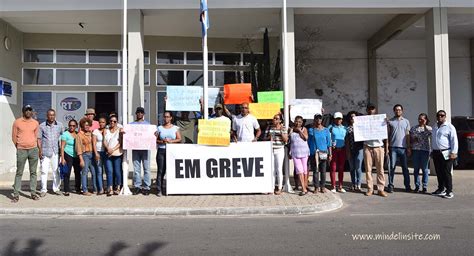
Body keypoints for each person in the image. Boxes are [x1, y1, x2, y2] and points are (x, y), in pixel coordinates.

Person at [11, 104, 40, 202]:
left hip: (33, 150)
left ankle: (33, 193)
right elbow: (14, 137)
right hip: (21, 150)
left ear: (31, 112)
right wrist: (19, 146)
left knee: (33, 172)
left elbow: (36, 137)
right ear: (23, 111)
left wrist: (36, 147)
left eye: (30, 110)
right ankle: (16, 194)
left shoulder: (35, 123)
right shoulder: (17, 122)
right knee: (19, 172)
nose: (28, 112)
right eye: (26, 110)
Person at [431, 110, 458, 199]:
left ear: (445, 116)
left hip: (446, 152)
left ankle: (449, 191)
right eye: (438, 115)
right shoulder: (434, 126)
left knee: (446, 172)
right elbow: (433, 140)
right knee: (439, 171)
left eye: (442, 115)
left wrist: (454, 152)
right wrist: (432, 150)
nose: (440, 117)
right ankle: (441, 189)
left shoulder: (449, 127)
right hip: (436, 152)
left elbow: (454, 140)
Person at [363, 104, 388, 197]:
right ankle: (370, 189)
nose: (371, 111)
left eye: (372, 109)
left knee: (380, 169)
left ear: (375, 110)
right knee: (368, 169)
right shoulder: (363, 120)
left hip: (379, 146)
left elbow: (386, 135)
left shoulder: (381, 120)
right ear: (367, 110)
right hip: (367, 146)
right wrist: (355, 123)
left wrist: (386, 147)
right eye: (369, 109)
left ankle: (381, 189)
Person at [37, 108, 64, 197]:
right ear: (47, 116)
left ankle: (56, 189)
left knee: (56, 171)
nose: (51, 116)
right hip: (45, 152)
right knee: (44, 171)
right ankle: (43, 190)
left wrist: (62, 151)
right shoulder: (42, 126)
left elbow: (63, 138)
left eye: (53, 115)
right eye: (50, 115)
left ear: (55, 115)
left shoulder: (60, 125)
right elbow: (39, 139)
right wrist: (40, 151)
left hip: (55, 152)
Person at [155, 111, 181, 196]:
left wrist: (171, 141)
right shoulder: (159, 128)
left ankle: (170, 189)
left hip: (172, 151)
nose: (166, 118)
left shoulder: (175, 128)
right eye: (165, 117)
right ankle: (159, 189)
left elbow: (179, 139)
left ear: (171, 118)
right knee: (161, 171)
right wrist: (162, 141)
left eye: (167, 117)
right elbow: (156, 140)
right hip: (161, 151)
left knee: (171, 171)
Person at [387, 104, 411, 193]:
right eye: (396, 110)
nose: (398, 111)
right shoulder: (390, 121)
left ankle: (407, 186)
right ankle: (390, 185)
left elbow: (408, 135)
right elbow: (388, 135)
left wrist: (408, 147)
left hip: (403, 148)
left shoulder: (406, 121)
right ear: (394, 111)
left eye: (399, 110)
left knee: (405, 168)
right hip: (393, 148)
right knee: (391, 167)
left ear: (402, 111)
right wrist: (387, 147)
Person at [264, 113, 288, 195]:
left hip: (279, 149)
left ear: (280, 120)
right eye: (274, 118)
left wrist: (281, 132)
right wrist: (269, 137)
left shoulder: (283, 128)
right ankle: (272, 187)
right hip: (271, 149)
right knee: (272, 169)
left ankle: (279, 187)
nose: (274, 119)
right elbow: (264, 138)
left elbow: (286, 140)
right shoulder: (269, 127)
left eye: (276, 118)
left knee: (278, 169)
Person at [308, 114, 332, 193]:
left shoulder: (326, 130)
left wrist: (330, 154)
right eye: (317, 119)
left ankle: (323, 186)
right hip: (314, 153)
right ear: (314, 119)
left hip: (323, 152)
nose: (318, 120)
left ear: (322, 120)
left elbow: (329, 143)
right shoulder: (311, 130)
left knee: (323, 171)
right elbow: (308, 142)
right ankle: (316, 187)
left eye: (320, 119)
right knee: (315, 170)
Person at [130, 107, 152, 196]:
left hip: (145, 149)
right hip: (135, 149)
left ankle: (146, 187)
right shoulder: (131, 124)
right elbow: (128, 134)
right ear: (136, 114)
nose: (139, 114)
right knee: (136, 169)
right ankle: (137, 186)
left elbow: (152, 134)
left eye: (141, 112)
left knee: (146, 169)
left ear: (143, 114)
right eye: (138, 112)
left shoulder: (148, 124)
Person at [409, 113, 432, 193]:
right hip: (415, 150)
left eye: (422, 119)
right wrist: (412, 141)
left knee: (425, 169)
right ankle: (417, 186)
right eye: (419, 119)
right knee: (416, 169)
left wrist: (425, 124)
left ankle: (424, 186)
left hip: (425, 150)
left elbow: (430, 134)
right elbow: (410, 139)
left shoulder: (429, 128)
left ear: (426, 120)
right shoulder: (414, 128)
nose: (420, 120)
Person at [289, 116, 310, 196]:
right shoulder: (291, 130)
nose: (298, 123)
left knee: (304, 170)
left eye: (300, 122)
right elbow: (289, 140)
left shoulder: (304, 129)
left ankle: (304, 186)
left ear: (302, 123)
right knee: (299, 170)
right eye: (296, 121)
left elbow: (305, 138)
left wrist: (299, 131)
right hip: (295, 152)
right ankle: (304, 189)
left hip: (304, 152)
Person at [103, 115, 123, 196]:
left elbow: (120, 142)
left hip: (117, 153)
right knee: (109, 171)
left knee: (117, 171)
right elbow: (104, 141)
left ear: (117, 122)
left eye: (114, 121)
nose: (112, 122)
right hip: (108, 153)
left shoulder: (119, 130)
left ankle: (118, 187)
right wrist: (108, 148)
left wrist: (113, 149)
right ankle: (110, 188)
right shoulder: (106, 130)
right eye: (111, 121)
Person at [76, 118, 96, 196]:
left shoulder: (91, 133)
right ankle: (84, 190)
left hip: (92, 154)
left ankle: (95, 188)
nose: (87, 127)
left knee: (94, 172)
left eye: (88, 125)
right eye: (85, 125)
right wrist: (81, 159)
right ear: (82, 126)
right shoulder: (79, 135)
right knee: (84, 173)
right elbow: (78, 148)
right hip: (85, 155)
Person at [60, 119, 81, 196]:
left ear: (76, 126)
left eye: (73, 126)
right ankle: (66, 190)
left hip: (76, 155)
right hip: (67, 154)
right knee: (67, 173)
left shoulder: (77, 134)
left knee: (78, 172)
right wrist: (62, 158)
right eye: (70, 125)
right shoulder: (65, 134)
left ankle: (78, 188)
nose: (71, 127)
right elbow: (62, 147)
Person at [345, 111, 364, 192]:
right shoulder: (347, 128)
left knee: (358, 167)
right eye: (351, 117)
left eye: (354, 117)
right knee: (352, 168)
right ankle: (353, 184)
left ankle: (358, 184)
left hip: (359, 149)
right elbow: (346, 141)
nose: (353, 118)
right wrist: (347, 151)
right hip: (350, 149)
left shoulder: (361, 127)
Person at [329, 112, 347, 193]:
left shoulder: (345, 128)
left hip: (342, 149)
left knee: (341, 168)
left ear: (342, 119)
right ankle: (333, 186)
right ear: (334, 119)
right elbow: (328, 137)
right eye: (337, 119)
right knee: (333, 168)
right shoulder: (330, 127)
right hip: (334, 150)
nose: (338, 120)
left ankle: (340, 186)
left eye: (339, 119)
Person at [92, 116, 107, 195]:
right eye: (100, 122)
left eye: (103, 122)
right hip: (98, 152)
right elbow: (94, 143)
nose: (101, 124)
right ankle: (101, 188)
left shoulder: (107, 131)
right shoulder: (95, 131)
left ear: (105, 123)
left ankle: (108, 188)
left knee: (108, 171)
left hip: (106, 152)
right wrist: (96, 153)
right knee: (99, 171)